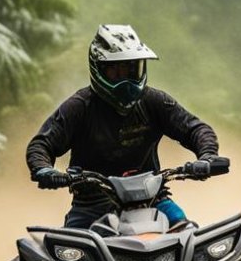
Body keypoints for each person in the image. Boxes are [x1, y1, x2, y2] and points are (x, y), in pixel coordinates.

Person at [26, 24, 221, 230]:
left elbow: (196, 129)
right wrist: (45, 170)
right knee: (63, 254)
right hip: (91, 205)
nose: (126, 79)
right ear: (98, 69)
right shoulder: (79, 107)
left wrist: (207, 157)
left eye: (130, 69)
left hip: (153, 200)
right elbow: (41, 144)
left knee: (190, 238)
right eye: (116, 71)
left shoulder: (154, 101)